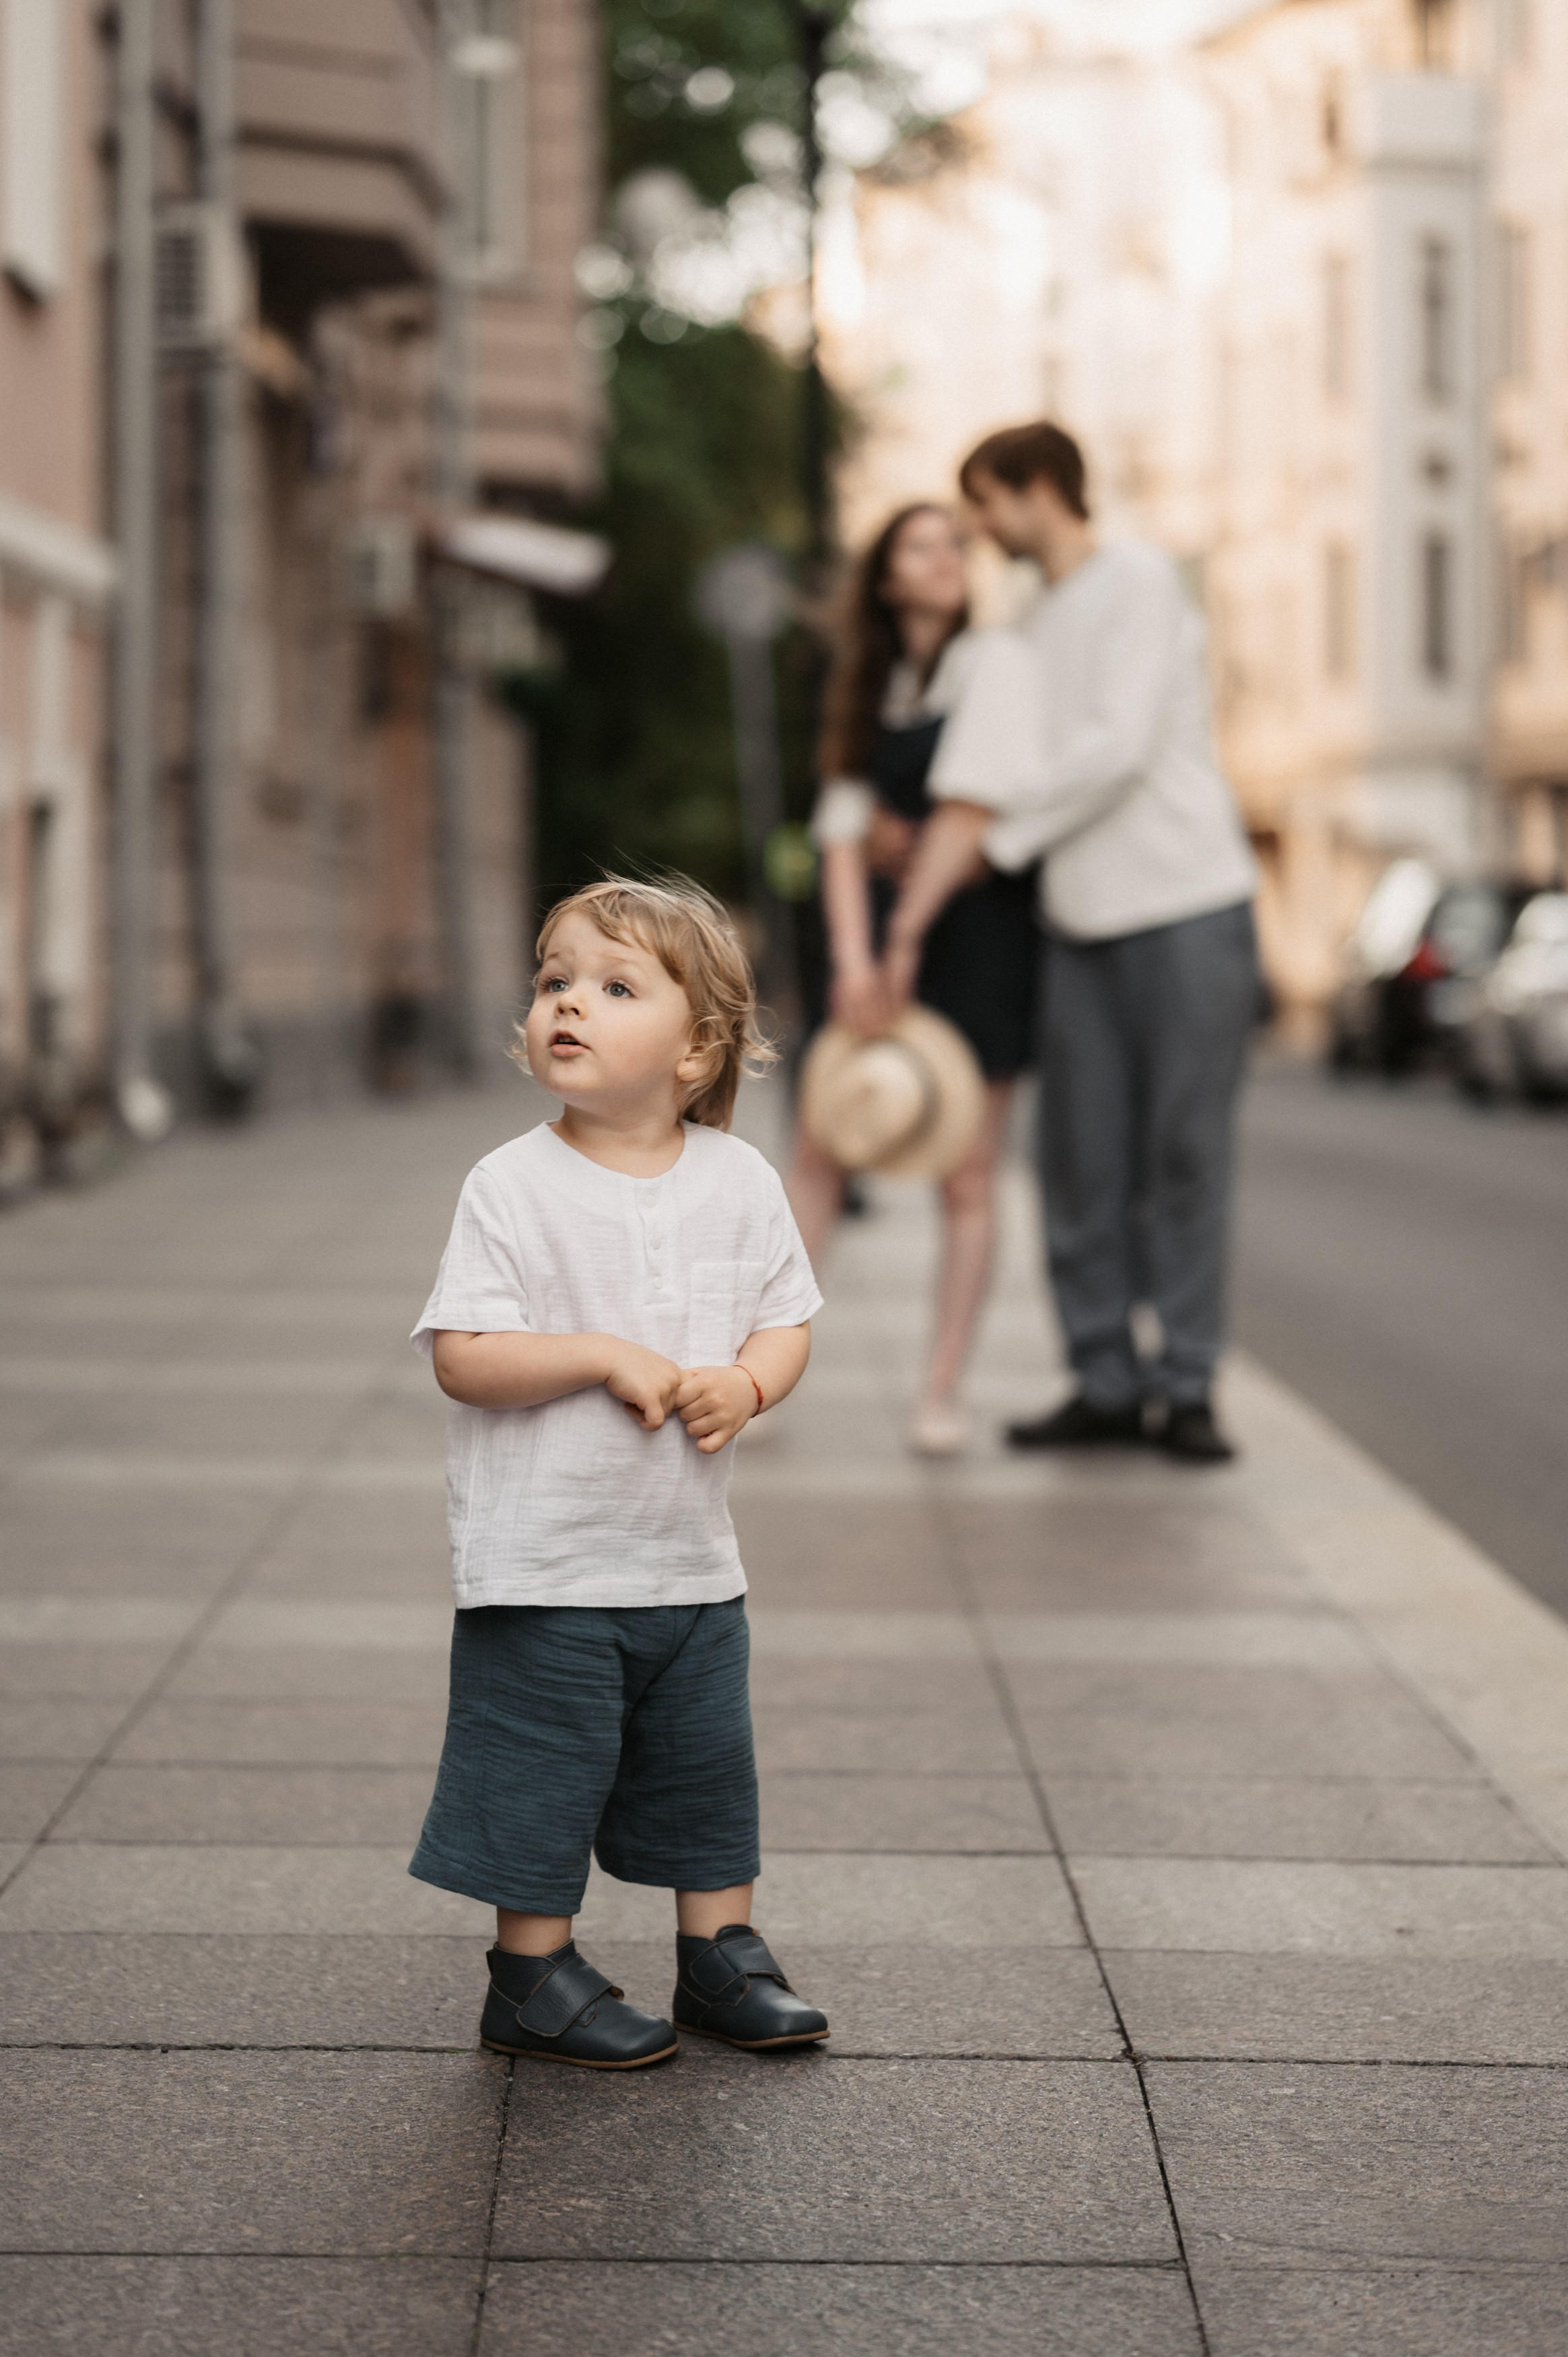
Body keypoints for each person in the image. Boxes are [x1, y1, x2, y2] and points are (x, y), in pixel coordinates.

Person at [409, 876, 829, 2065]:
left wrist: (748, 1383)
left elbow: (786, 1320)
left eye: (612, 986)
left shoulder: (739, 1182)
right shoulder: (511, 1183)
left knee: (706, 1774)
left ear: (696, 1048)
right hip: (542, 1562)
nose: (568, 1005)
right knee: (540, 1775)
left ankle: (722, 1954)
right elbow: (465, 1359)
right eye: (553, 981)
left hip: (689, 1561)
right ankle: (531, 1973)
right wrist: (597, 1355)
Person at [883, 422, 1260, 1463]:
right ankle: (1102, 1377)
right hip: (1075, 921)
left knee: (1183, 1153)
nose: (981, 528)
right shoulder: (1031, 623)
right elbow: (1002, 755)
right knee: (1079, 1162)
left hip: (1185, 902)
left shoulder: (1138, 579)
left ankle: (1185, 1386)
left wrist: (994, 842)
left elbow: (1116, 747)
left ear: (1040, 487)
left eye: (988, 503)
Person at [786, 502, 1037, 1456]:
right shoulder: (863, 682)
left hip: (980, 941)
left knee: (967, 1171)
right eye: (921, 545)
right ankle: (758, 1372)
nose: (946, 560)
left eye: (954, 545)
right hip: (884, 934)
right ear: (886, 577)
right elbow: (844, 838)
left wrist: (907, 928)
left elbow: (971, 817)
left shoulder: (998, 664)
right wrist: (856, 960)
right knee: (819, 1145)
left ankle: (941, 1390)